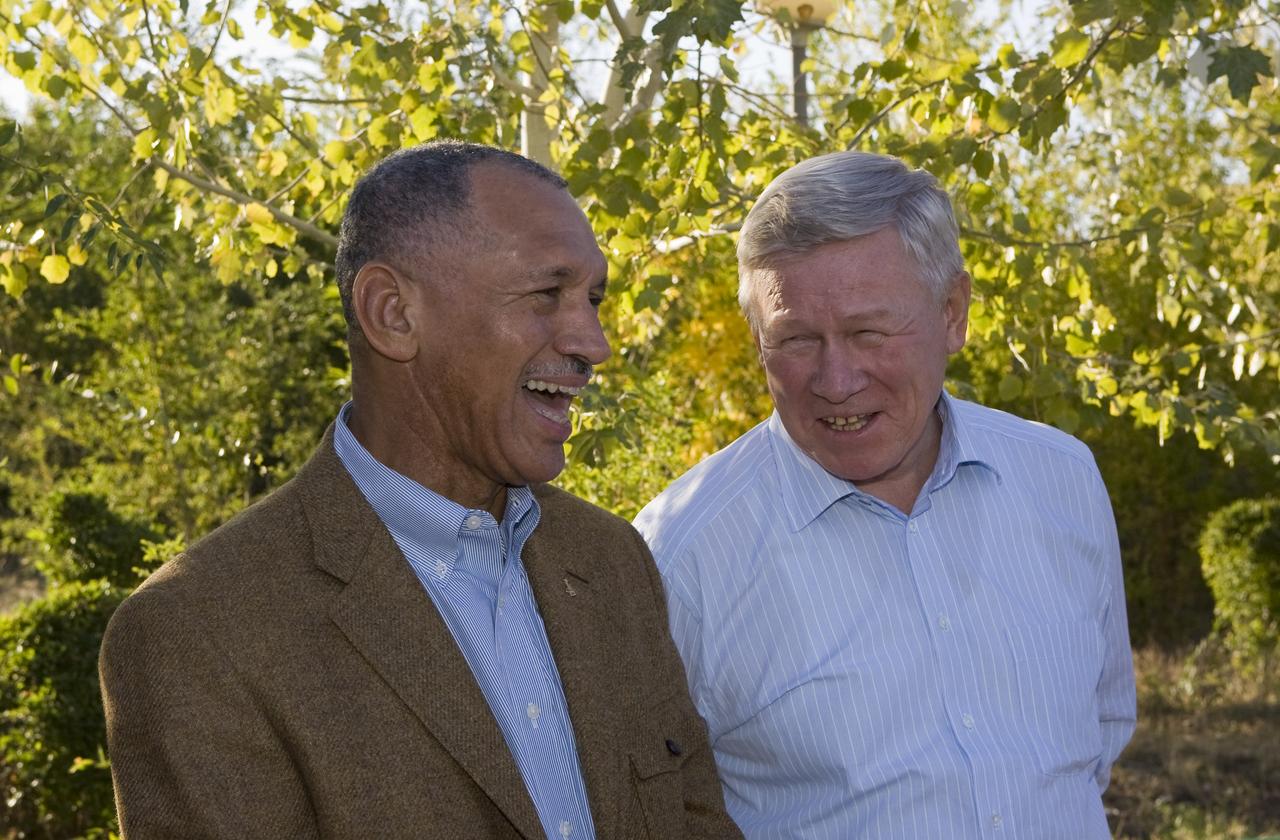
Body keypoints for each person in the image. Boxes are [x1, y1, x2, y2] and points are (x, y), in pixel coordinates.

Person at [99, 141, 741, 840]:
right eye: (546, 294)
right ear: (393, 313)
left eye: (592, 299)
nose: (594, 342)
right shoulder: (199, 633)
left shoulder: (610, 560)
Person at [634, 150, 1136, 839]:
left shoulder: (1061, 479)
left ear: (953, 313)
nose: (836, 380)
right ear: (757, 339)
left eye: (869, 331)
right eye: (796, 340)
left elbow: (1096, 737)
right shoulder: (677, 554)